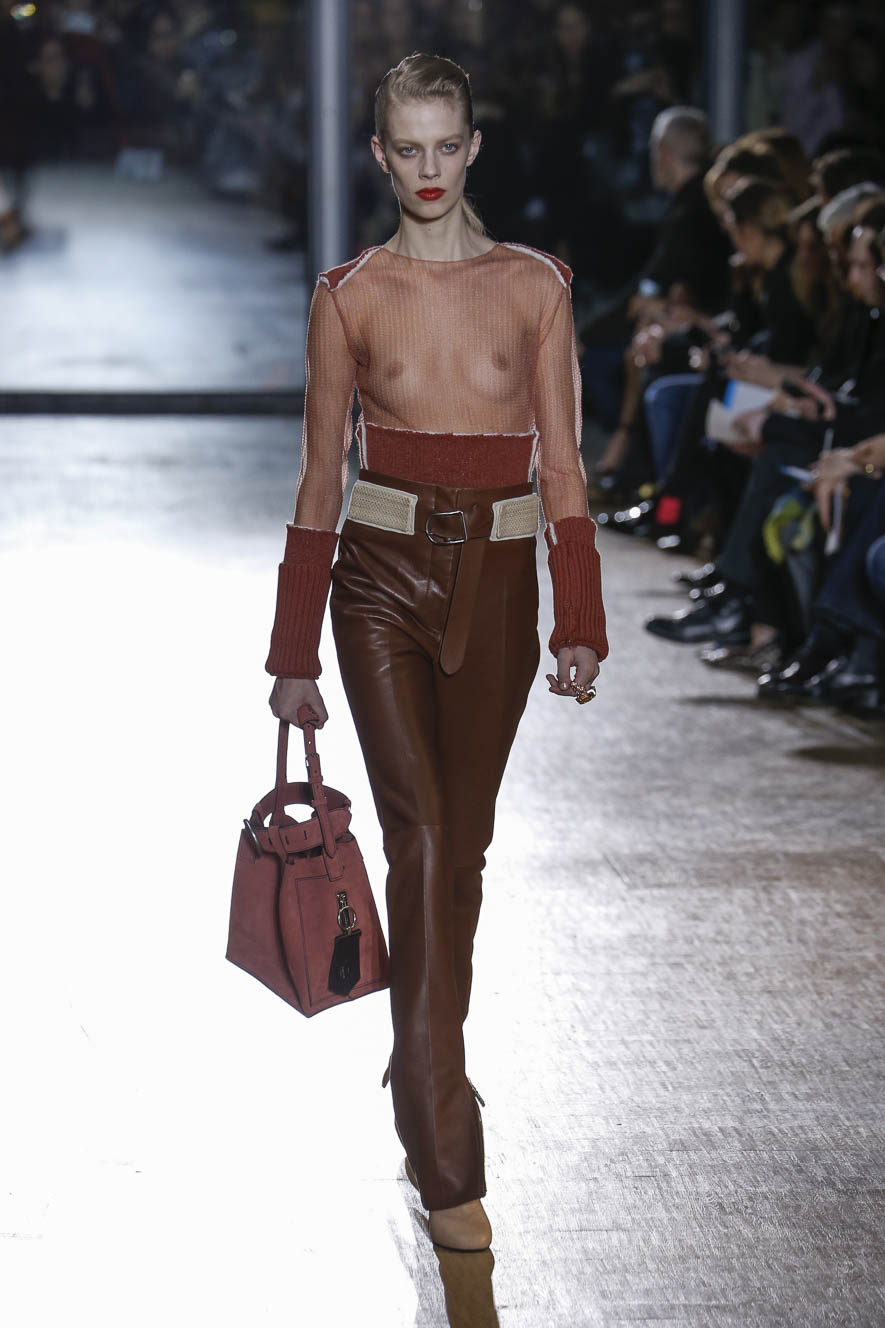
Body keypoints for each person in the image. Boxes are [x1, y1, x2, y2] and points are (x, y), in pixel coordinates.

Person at [263, 52, 608, 1253]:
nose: (425, 168)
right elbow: (319, 476)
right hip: (377, 582)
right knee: (414, 833)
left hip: (502, 584)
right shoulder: (348, 295)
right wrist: (293, 650)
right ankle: (442, 1135)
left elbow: (564, 463)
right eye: (404, 148)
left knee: (461, 853)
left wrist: (579, 616)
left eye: (443, 146)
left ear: (473, 147)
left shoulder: (535, 288)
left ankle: (423, 1048)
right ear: (379, 154)